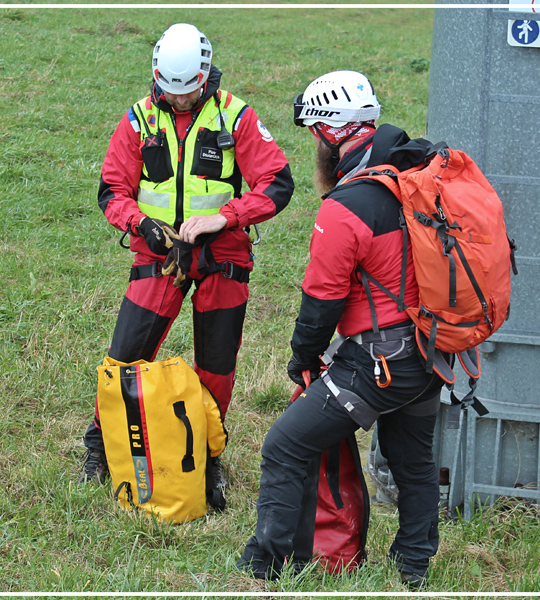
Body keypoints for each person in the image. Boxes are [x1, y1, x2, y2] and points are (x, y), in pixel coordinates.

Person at [237, 71, 447, 589]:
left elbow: (321, 301)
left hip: (378, 364)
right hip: (432, 354)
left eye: (314, 134)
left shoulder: (346, 206)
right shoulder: (418, 172)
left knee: (284, 446)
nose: (315, 147)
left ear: (332, 134)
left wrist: (302, 358)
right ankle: (414, 567)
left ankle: (263, 566)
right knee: (413, 462)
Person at [79, 23, 294, 512]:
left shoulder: (237, 117)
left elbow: (278, 183)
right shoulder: (137, 120)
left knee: (216, 365)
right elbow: (112, 190)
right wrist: (141, 224)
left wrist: (227, 216)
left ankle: (208, 458)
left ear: (206, 76)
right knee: (125, 353)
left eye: (190, 92)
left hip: (224, 255)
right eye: (170, 93)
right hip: (159, 254)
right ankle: (99, 446)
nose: (179, 101)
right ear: (156, 77)